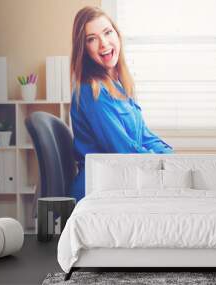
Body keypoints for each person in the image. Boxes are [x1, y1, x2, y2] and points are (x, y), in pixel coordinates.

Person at [70, 6, 173, 201]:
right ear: (83, 49)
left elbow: (145, 137)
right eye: (92, 39)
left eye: (107, 32)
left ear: (117, 35)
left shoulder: (119, 86)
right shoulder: (91, 91)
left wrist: (171, 157)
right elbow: (124, 151)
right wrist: (163, 166)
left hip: (121, 182)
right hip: (98, 191)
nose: (103, 43)